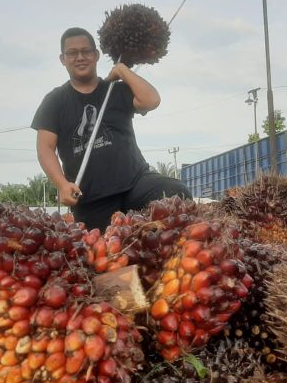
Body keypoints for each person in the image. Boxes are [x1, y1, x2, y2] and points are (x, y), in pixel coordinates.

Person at [32, 27, 191, 231]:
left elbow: (151, 100)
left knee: (176, 193)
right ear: (63, 59)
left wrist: (122, 70)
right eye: (72, 53)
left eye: (86, 51)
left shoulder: (115, 90)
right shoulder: (54, 101)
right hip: (91, 198)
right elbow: (45, 148)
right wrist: (62, 184)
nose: (80, 57)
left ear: (96, 55)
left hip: (136, 184)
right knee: (100, 253)